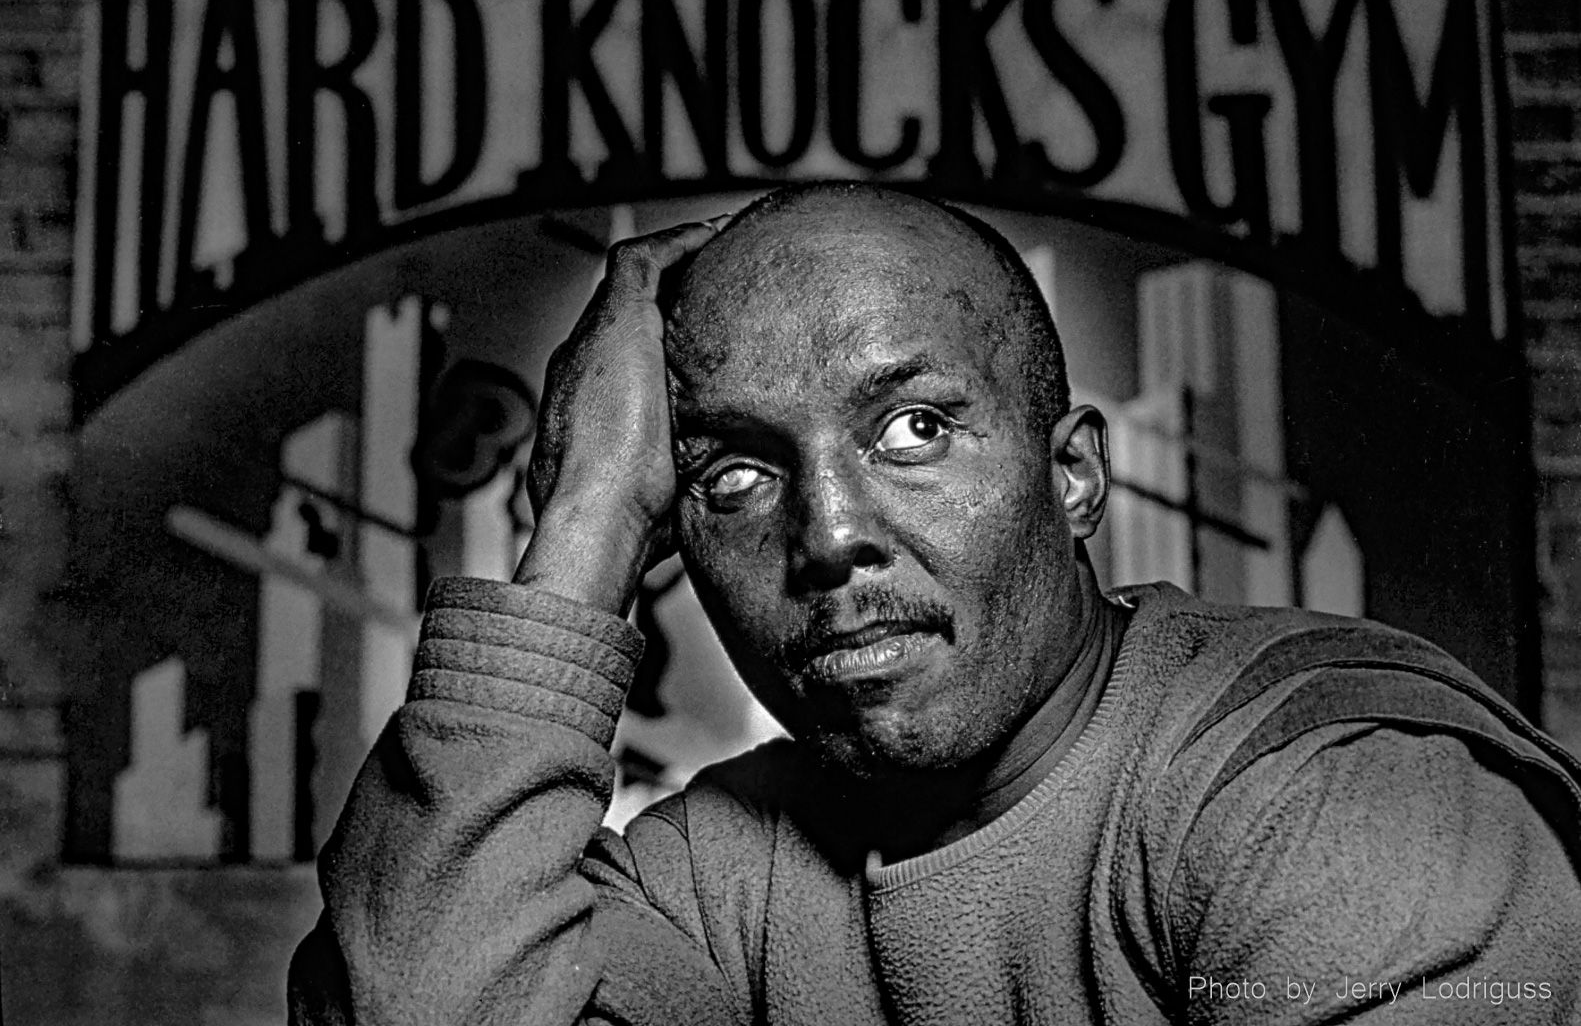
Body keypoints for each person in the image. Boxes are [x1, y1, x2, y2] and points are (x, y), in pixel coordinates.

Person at [288, 184, 1581, 1025]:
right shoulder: (716, 876)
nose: (831, 534)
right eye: (735, 472)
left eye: (912, 428)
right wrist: (577, 530)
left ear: (1068, 473)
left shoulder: (1341, 795)